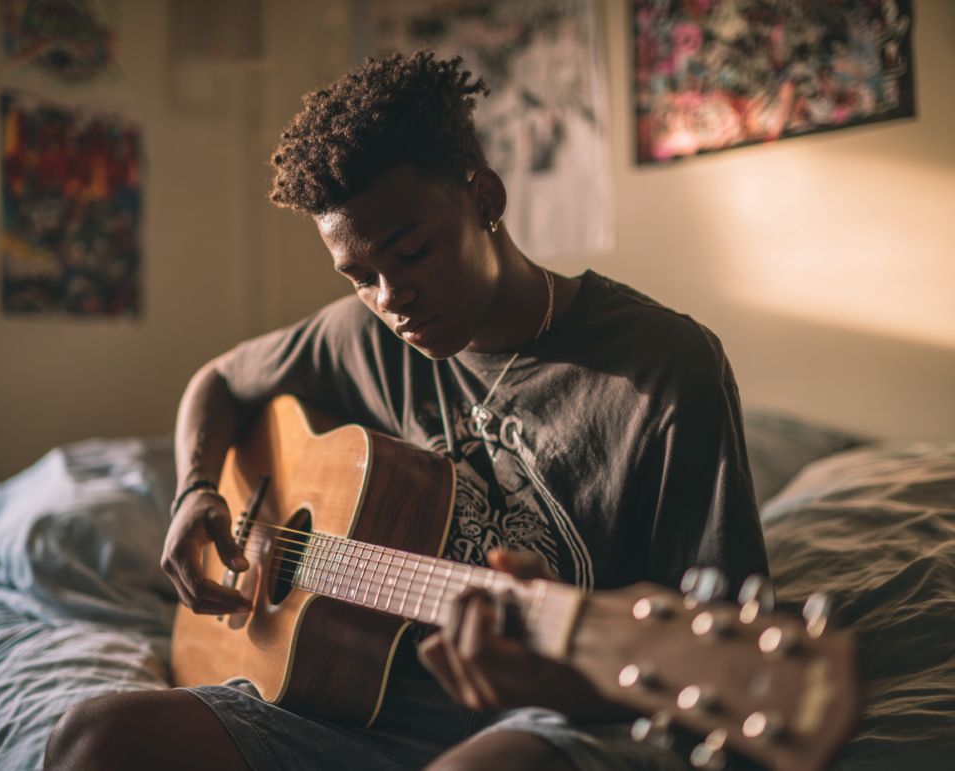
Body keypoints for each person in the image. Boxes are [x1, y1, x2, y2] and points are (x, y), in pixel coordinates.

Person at [43, 50, 768, 771]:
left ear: (485, 199)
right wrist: (195, 489)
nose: (391, 300)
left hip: (554, 712)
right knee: (94, 736)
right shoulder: (359, 335)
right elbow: (219, 382)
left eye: (413, 251)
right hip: (347, 705)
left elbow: (727, 662)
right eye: (360, 277)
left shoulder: (667, 369)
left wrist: (550, 682)